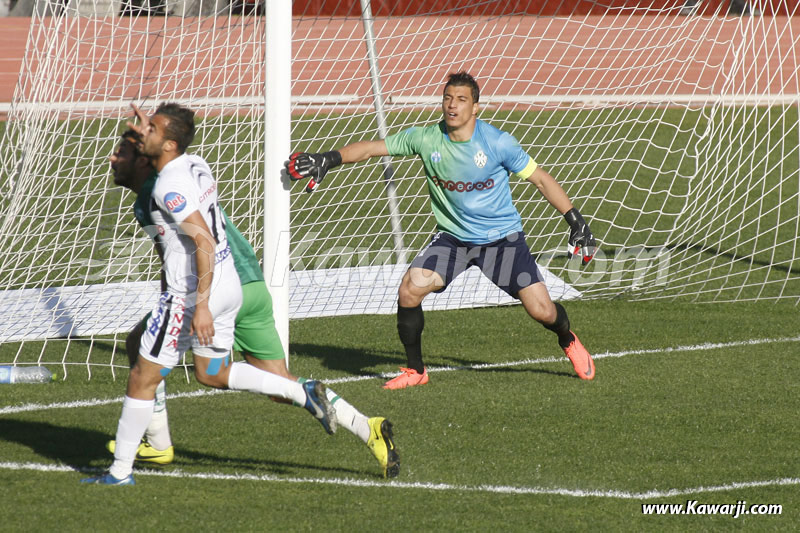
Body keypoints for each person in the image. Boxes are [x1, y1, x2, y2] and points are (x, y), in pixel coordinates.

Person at [103, 128, 399, 478]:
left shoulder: (160, 190)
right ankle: (368, 428)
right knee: (280, 384)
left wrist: (188, 304)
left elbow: (196, 248)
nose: (111, 159)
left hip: (214, 288)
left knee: (154, 357)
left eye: (120, 153)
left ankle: (156, 444)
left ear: (142, 160)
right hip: (251, 286)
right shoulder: (178, 175)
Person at [286, 71, 597, 390]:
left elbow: (541, 179)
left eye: (461, 100)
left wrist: (574, 220)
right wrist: (329, 158)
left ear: (476, 107)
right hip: (454, 241)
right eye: (448, 98)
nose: (452, 105)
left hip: (502, 242)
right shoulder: (426, 138)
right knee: (409, 290)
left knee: (542, 311)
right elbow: (371, 149)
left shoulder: (497, 143)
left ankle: (567, 338)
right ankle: (416, 370)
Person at [81, 103, 337, 486]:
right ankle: (302, 393)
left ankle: (119, 472)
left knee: (142, 378)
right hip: (228, 284)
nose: (142, 131)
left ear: (167, 144)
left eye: (150, 128)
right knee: (212, 372)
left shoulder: (167, 187)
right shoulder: (195, 163)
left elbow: (202, 240)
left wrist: (199, 306)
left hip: (194, 293)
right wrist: (143, 135)